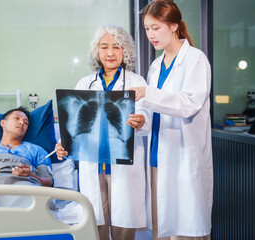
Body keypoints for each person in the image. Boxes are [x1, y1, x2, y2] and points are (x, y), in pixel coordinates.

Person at [55, 24, 150, 240]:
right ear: (96, 51)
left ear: (125, 51)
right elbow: (74, 124)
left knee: (123, 224)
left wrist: (141, 120)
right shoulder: (84, 83)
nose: (110, 53)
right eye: (104, 47)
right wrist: (63, 144)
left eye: (117, 47)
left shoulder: (136, 82)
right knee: (94, 220)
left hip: (123, 164)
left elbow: (146, 116)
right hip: (93, 163)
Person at [129, 0, 213, 239]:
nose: (150, 35)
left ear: (174, 26)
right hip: (157, 158)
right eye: (146, 29)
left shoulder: (195, 59)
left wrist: (147, 93)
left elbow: (190, 104)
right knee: (162, 229)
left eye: (156, 28)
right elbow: (154, 112)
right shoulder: (156, 66)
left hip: (183, 157)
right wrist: (140, 121)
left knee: (186, 229)